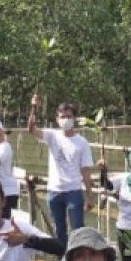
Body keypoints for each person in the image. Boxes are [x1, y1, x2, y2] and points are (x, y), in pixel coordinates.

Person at [26, 94, 94, 246]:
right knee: (59, 231)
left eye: (69, 116)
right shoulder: (52, 136)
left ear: (74, 118)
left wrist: (89, 195)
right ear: (57, 119)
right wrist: (33, 108)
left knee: (77, 229)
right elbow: (31, 129)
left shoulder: (82, 143)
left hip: (74, 191)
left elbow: (86, 171)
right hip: (54, 192)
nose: (65, 120)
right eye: (62, 117)